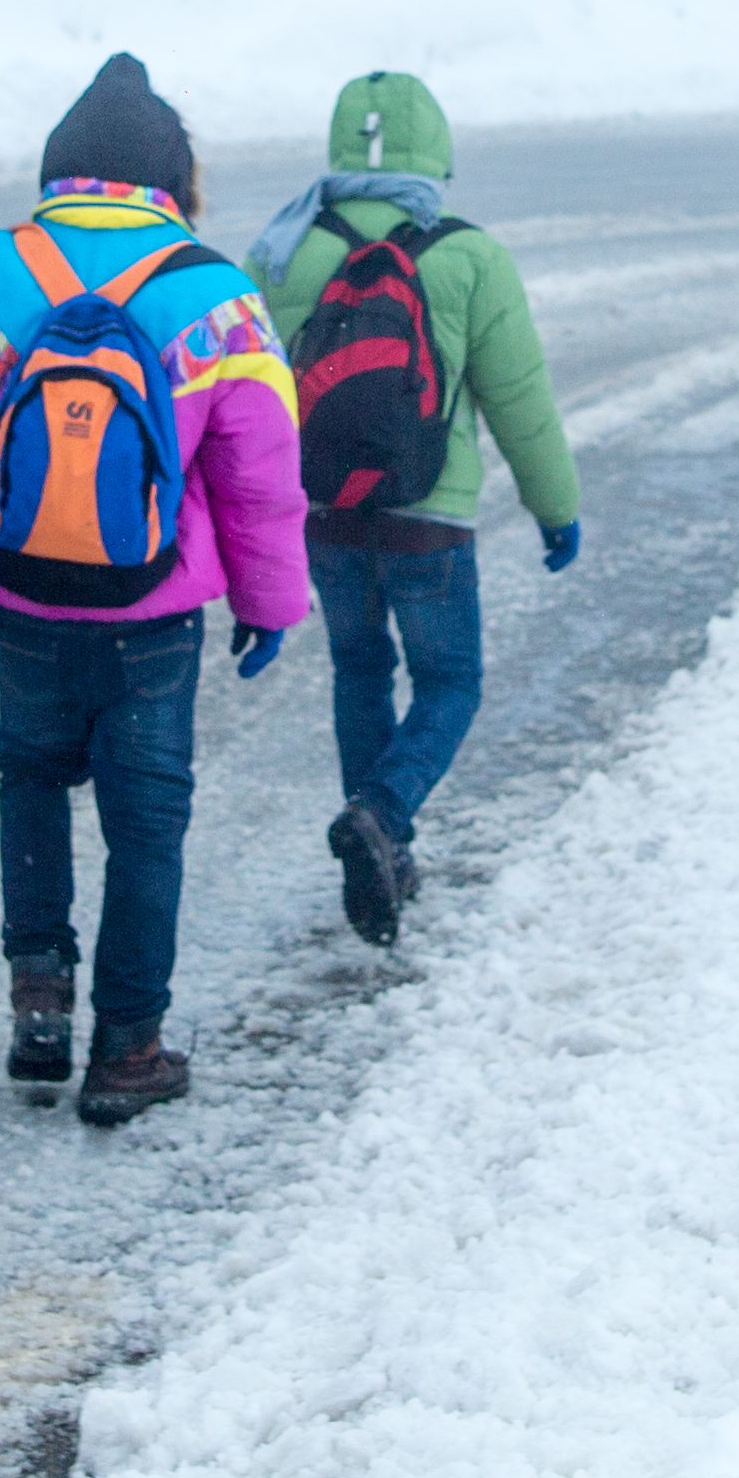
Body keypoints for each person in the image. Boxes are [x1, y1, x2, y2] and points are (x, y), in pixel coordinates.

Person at [0, 52, 310, 1123]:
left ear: (59, 168)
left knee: (30, 778)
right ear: (169, 177)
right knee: (147, 820)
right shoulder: (217, 293)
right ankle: (128, 1049)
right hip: (155, 609)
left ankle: (38, 1000)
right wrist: (268, 603)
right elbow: (258, 474)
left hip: (20, 597)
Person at [248, 68, 582, 946]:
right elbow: (520, 398)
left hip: (323, 512)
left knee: (360, 672)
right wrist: (556, 507)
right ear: (434, 147)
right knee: (450, 681)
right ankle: (383, 817)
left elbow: (242, 401)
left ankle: (380, 848)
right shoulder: (469, 254)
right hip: (429, 515)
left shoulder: (280, 251)